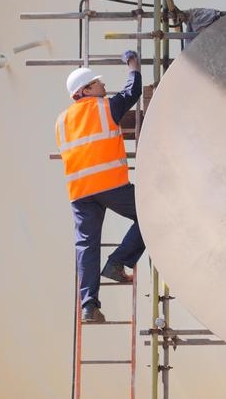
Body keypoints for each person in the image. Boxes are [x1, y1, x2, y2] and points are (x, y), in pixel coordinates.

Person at [57, 52, 144, 323]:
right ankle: (118, 262)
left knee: (86, 246)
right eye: (97, 83)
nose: (103, 86)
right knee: (151, 214)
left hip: (79, 191)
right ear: (85, 91)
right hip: (108, 183)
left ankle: (89, 306)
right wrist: (133, 66)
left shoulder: (61, 121)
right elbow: (133, 92)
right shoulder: (104, 107)